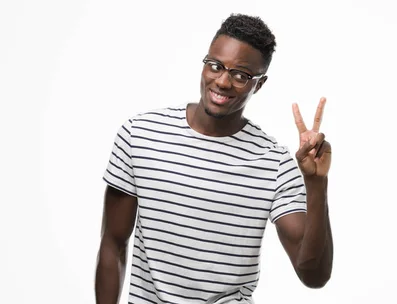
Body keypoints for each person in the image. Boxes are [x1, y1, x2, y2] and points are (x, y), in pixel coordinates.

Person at [95, 13, 334, 304]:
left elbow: (314, 275)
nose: (222, 81)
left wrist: (316, 183)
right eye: (216, 66)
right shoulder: (140, 135)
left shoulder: (275, 162)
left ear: (259, 84)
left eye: (240, 75)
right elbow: (113, 244)